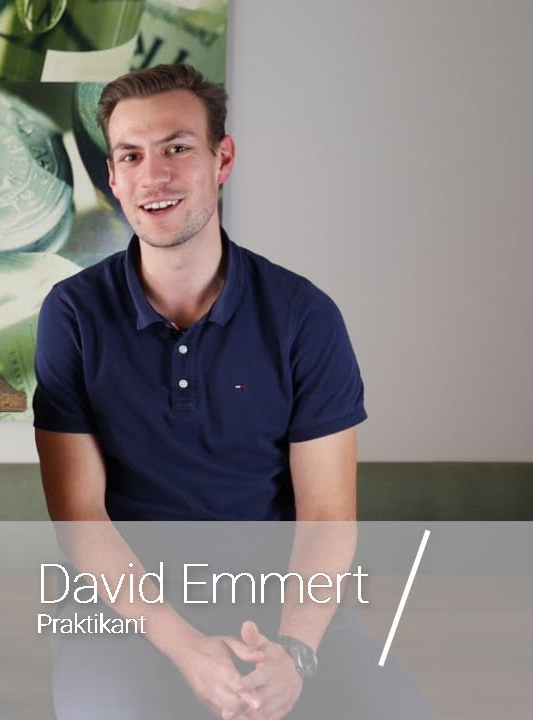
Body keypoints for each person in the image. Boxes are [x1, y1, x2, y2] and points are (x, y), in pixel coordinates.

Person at [32, 64, 433, 719]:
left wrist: (294, 651)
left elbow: (328, 515)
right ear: (113, 177)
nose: (153, 176)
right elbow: (80, 519)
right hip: (123, 610)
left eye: (177, 148)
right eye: (131, 156)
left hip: (284, 603)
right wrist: (187, 649)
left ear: (223, 159)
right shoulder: (72, 314)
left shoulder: (304, 315)